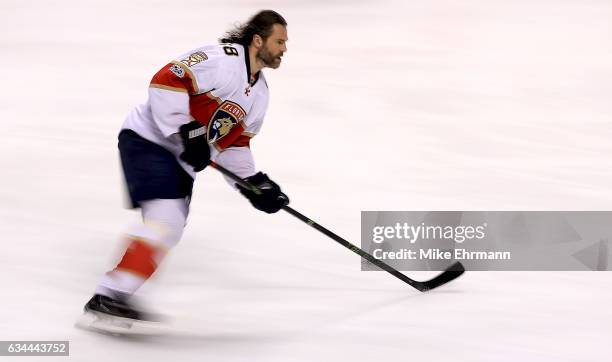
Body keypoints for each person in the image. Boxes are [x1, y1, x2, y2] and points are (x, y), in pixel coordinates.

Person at [82, 10, 290, 322]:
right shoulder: (221, 59)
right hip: (148, 139)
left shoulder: (259, 95)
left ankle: (113, 294)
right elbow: (167, 78)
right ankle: (109, 294)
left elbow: (234, 144)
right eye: (279, 41)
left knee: (170, 226)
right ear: (257, 40)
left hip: (179, 160)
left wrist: (254, 184)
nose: (284, 48)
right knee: (166, 219)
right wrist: (186, 128)